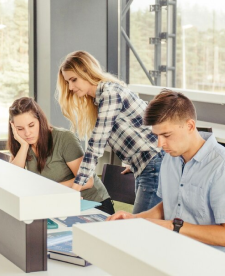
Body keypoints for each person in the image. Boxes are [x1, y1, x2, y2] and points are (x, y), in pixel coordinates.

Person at [108, 89, 225, 258]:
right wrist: (134, 219)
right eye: (157, 135)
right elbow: (168, 205)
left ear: (190, 126)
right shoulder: (170, 158)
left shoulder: (224, 166)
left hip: (213, 261)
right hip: (176, 252)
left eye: (166, 135)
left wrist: (173, 226)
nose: (160, 144)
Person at [56, 50, 163, 214]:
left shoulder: (110, 94)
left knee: (140, 226)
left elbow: (96, 145)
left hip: (154, 164)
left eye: (73, 79)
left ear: (87, 72)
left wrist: (76, 187)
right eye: (67, 82)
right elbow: (134, 129)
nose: (70, 87)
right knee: (146, 227)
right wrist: (134, 160)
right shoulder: (99, 100)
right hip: (146, 164)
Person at [7, 97, 115, 214]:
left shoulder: (64, 138)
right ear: (13, 128)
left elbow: (88, 181)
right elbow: (14, 179)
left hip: (93, 204)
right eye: (20, 129)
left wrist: (49, 189)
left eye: (31, 125)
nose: (27, 133)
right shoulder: (23, 144)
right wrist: (23, 146)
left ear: (40, 120)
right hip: (59, 204)